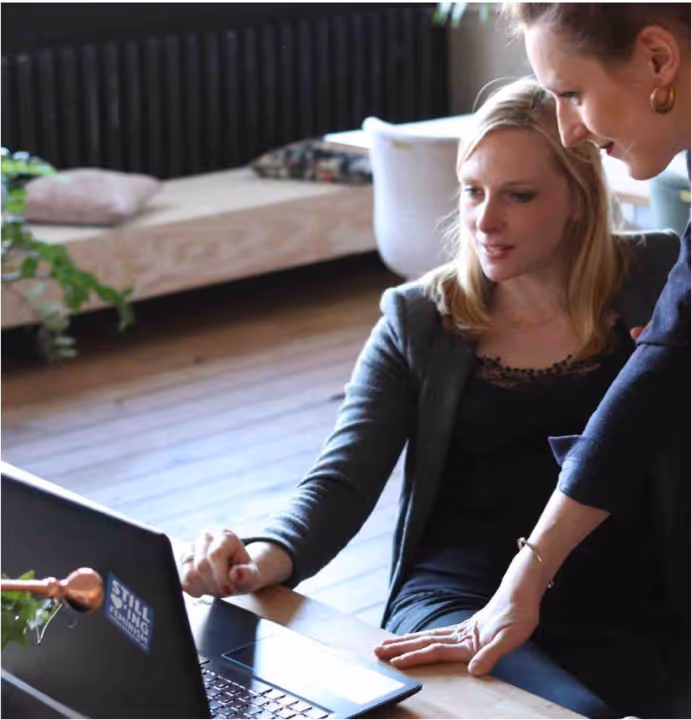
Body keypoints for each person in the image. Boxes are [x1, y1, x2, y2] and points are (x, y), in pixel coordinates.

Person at [180, 78, 679, 718]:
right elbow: (342, 479)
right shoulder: (419, 317)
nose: (484, 220)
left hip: (624, 592)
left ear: (578, 200)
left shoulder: (659, 278)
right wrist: (259, 558)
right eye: (473, 191)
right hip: (456, 595)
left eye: (518, 196)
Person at [374, 3, 691, 716]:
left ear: (658, 60)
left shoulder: (648, 263)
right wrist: (529, 576)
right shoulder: (418, 315)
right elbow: (658, 377)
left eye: (573, 93)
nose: (571, 126)